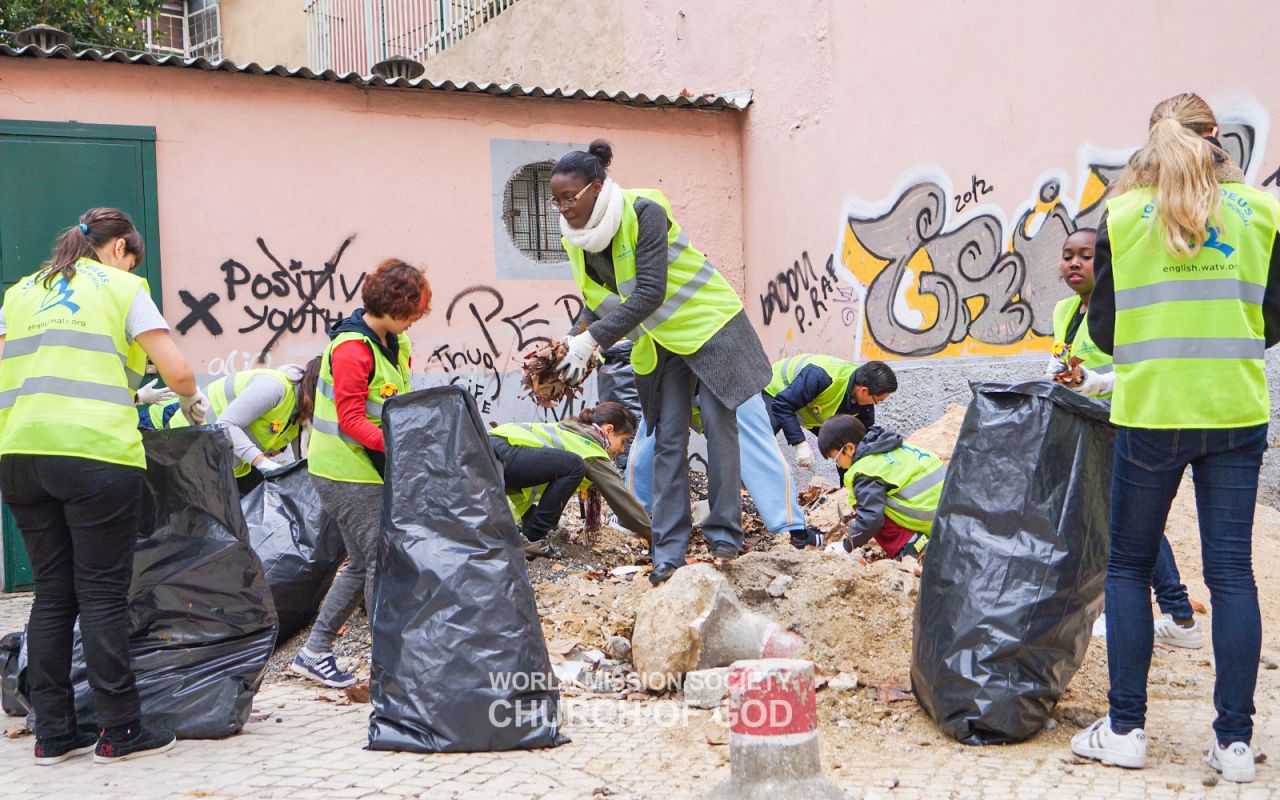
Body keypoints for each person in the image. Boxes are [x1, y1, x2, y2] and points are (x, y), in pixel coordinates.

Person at [1070, 93, 1280, 784]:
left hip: (1153, 413)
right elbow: (1271, 317)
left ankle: (1126, 730)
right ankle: (1235, 745)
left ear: (1153, 141)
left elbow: (1103, 329)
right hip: (1234, 412)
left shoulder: (1125, 215)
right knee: (1231, 573)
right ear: (1216, 139)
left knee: (1129, 566)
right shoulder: (1262, 212)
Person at [0, 208, 208, 764]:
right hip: (94, 455)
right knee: (100, 594)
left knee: (51, 593)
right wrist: (191, 403)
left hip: (20, 454)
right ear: (119, 249)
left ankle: (53, 733)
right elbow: (179, 371)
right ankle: (120, 730)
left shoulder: (20, 292)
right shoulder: (122, 285)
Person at [549, 139, 771, 585]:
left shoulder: (644, 211)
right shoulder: (576, 240)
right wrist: (574, 339)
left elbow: (649, 290)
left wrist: (593, 339)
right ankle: (668, 551)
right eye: (555, 200)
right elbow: (598, 302)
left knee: (716, 421)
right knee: (667, 438)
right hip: (662, 341)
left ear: (596, 188)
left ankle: (725, 535)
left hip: (709, 327)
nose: (563, 208)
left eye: (569, 197)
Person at [1048, 228, 1203, 650]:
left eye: (1086, 255)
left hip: (1124, 420)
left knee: (1129, 519)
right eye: (1067, 256)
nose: (1075, 263)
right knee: (1112, 519)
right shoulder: (1065, 310)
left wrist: (1096, 382)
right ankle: (1145, 612)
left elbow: (1145, 366)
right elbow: (1060, 359)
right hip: (1084, 424)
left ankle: (1175, 613)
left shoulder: (1126, 307)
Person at [291, 259, 431, 688]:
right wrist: (402, 445)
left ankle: (314, 652)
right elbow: (352, 420)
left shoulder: (392, 342)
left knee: (360, 564)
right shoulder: (353, 348)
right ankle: (390, 667)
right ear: (394, 305)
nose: (416, 321)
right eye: (414, 311)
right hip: (346, 471)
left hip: (369, 466)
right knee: (379, 562)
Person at [625, 393, 821, 550]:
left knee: (653, 431)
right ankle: (792, 529)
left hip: (677, 361)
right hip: (728, 364)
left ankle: (632, 517)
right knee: (756, 442)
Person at [489, 402, 651, 557]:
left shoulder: (570, 431)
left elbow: (525, 478)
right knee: (574, 466)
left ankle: (532, 536)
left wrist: (531, 517)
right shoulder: (589, 446)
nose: (622, 450)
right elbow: (622, 499)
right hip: (500, 454)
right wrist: (655, 536)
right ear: (609, 429)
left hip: (485, 452)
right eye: (623, 441)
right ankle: (533, 539)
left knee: (569, 467)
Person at [139, 359, 322, 495]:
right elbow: (226, 424)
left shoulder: (299, 410)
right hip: (178, 439)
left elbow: (299, 459)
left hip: (213, 455)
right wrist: (262, 462)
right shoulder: (275, 387)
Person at [817, 415, 944, 561]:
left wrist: (847, 546)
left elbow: (871, 519)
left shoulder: (866, 471)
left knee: (865, 505)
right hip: (951, 512)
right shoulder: (888, 444)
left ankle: (913, 545)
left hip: (931, 519)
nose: (838, 465)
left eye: (836, 458)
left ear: (850, 448)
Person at [764, 355, 897, 469]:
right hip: (775, 390)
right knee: (763, 435)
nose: (874, 405)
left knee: (847, 445)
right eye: (876, 400)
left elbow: (856, 446)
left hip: (806, 404)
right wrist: (800, 443)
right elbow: (783, 405)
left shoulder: (862, 399)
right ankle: (745, 483)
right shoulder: (821, 376)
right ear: (863, 391)